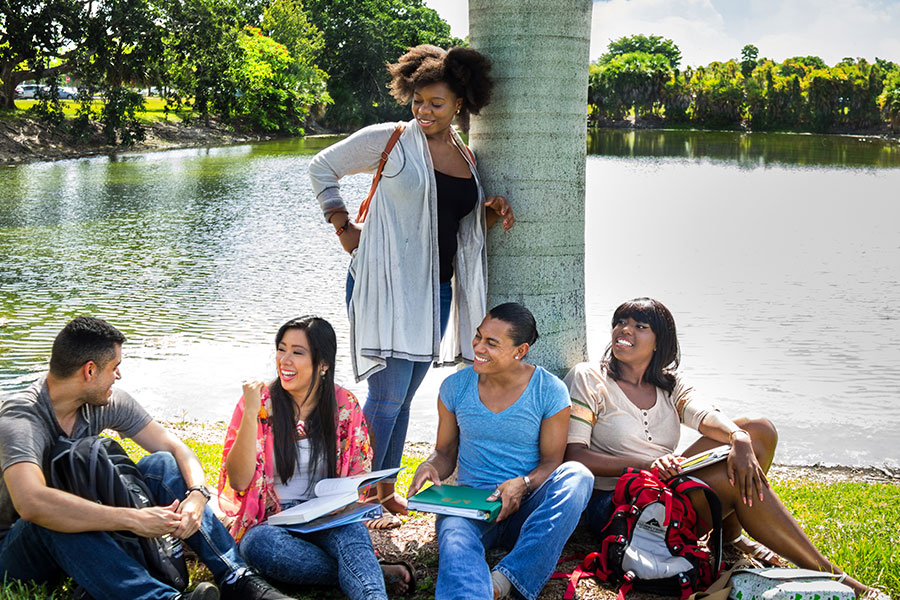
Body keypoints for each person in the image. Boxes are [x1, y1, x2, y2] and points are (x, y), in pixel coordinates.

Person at [308, 44, 514, 528]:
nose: (424, 111)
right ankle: (360, 500)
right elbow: (322, 167)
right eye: (418, 101)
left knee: (403, 397)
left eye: (436, 103)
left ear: (459, 104)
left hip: (436, 291)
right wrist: (343, 227)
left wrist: (488, 209)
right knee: (385, 396)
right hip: (384, 283)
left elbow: (448, 220)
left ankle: (383, 490)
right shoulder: (391, 139)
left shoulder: (465, 154)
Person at [564, 297, 888, 600]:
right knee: (733, 477)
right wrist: (646, 463)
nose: (625, 330)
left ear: (659, 341)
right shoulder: (590, 378)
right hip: (619, 503)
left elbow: (705, 415)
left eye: (639, 325)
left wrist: (739, 438)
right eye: (620, 322)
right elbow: (574, 455)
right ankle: (836, 577)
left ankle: (731, 533)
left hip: (666, 485)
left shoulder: (668, 384)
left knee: (758, 430)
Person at [0, 316, 289, 600]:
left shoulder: (104, 403)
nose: (118, 376)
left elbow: (176, 449)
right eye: (115, 367)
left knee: (160, 465)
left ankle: (237, 577)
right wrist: (133, 519)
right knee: (52, 514)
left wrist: (198, 496)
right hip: (19, 548)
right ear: (89, 371)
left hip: (86, 545)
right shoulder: (22, 418)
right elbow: (31, 503)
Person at [217, 316, 413, 599]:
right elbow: (238, 480)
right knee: (257, 546)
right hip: (273, 521)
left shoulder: (344, 405)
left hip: (327, 516)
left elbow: (358, 476)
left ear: (323, 365)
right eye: (281, 349)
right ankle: (370, 572)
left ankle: (371, 591)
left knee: (352, 536)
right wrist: (249, 412)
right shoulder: (260, 403)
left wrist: (343, 504)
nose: (284, 360)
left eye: (297, 352)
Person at [407, 303, 593, 600]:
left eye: (491, 343)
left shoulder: (549, 390)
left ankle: (507, 580)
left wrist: (524, 484)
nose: (478, 347)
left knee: (578, 476)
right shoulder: (455, 387)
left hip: (528, 508)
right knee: (454, 535)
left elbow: (552, 462)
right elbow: (445, 452)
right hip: (471, 505)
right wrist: (431, 465)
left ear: (520, 351)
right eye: (478, 337)